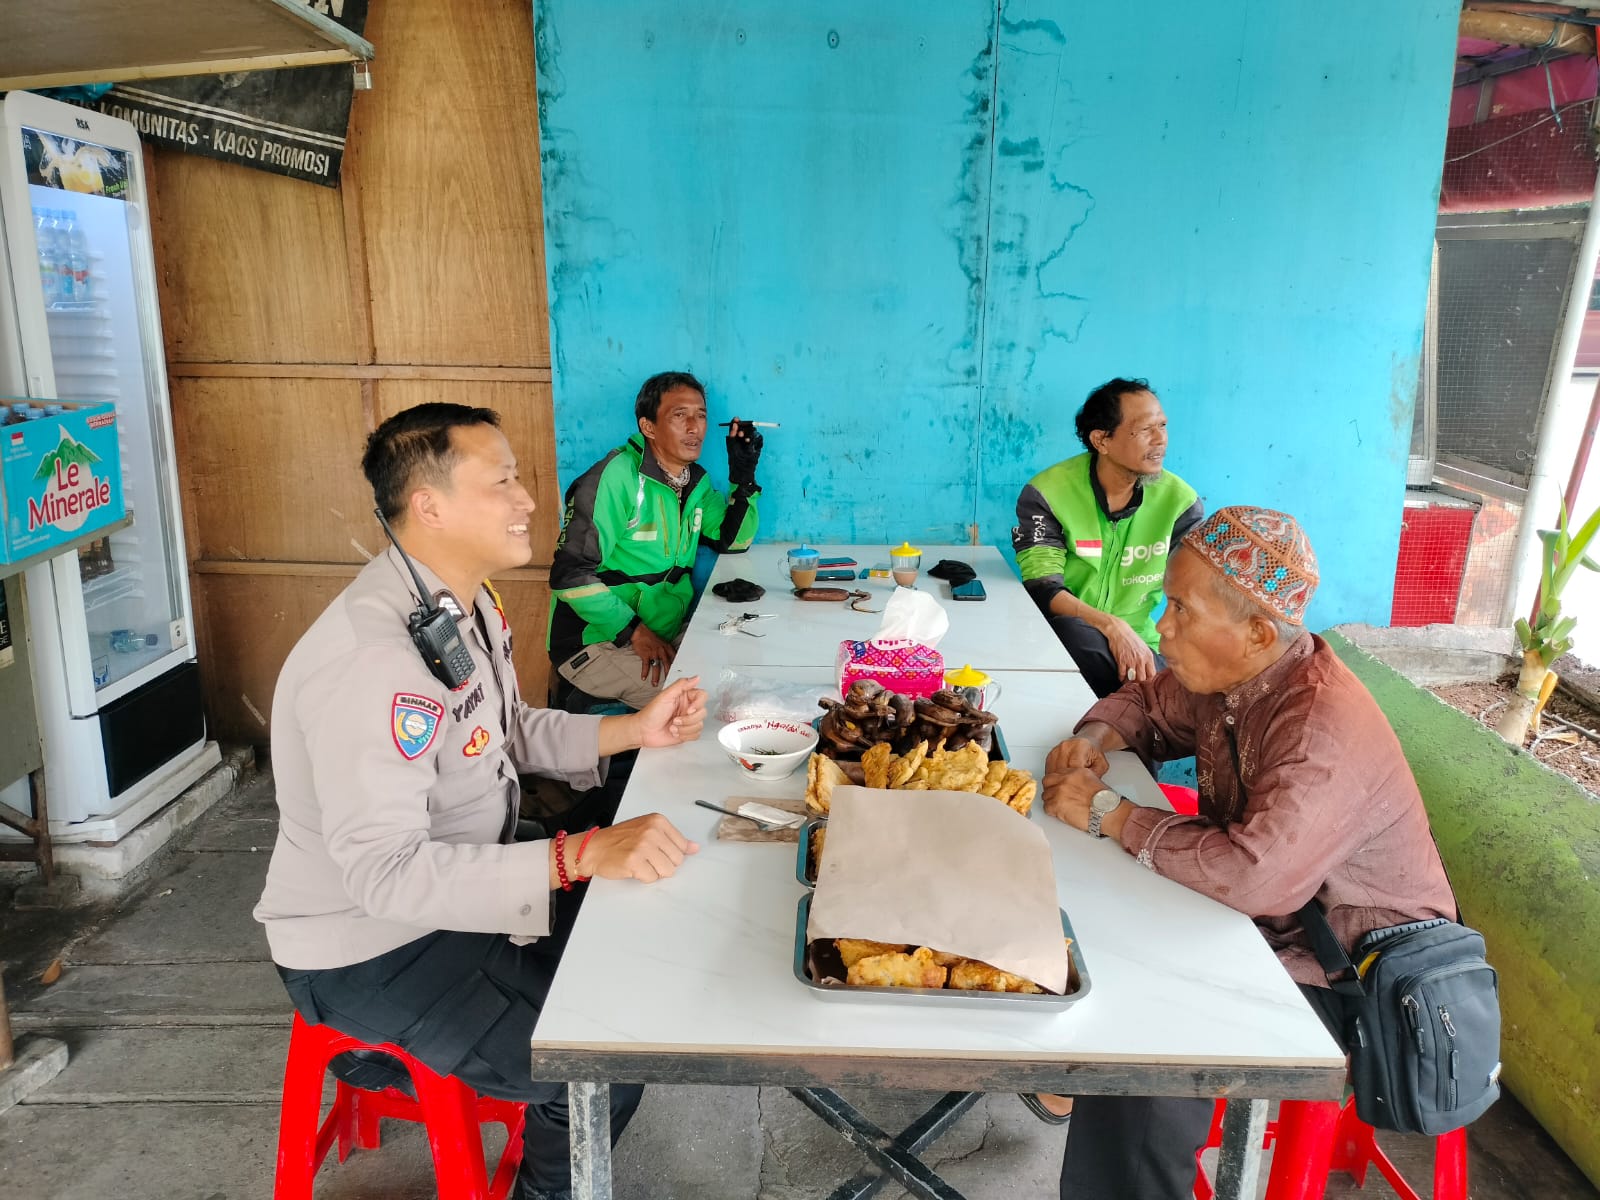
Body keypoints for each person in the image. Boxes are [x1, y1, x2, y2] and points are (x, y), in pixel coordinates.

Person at [254, 402, 707, 1200]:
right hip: (373, 947)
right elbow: (386, 877)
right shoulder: (374, 659)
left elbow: (507, 728)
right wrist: (574, 856)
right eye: (501, 482)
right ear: (429, 506)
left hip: (463, 882)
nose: (527, 499)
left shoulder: (460, 602)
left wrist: (635, 731)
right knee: (598, 1067)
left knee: (632, 935)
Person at [1037, 505, 1456, 1198]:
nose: (1161, 626)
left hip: (1356, 972)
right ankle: (1079, 1082)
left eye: (1180, 609)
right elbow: (1149, 704)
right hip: (1276, 925)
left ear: (1258, 631)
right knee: (1107, 935)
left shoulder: (1318, 726)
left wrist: (1112, 813)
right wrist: (1094, 739)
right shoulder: (1236, 675)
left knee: (1152, 1020)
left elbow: (1255, 878)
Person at [548, 371, 762, 711]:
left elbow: (732, 541)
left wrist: (743, 476)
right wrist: (634, 631)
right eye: (680, 415)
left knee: (743, 672)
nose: (694, 427)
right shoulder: (616, 478)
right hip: (600, 641)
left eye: (701, 415)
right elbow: (569, 575)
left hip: (663, 632)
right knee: (698, 706)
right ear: (648, 427)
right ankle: (584, 701)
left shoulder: (694, 482)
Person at [1013, 377, 1204, 698]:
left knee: (1182, 688)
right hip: (1071, 635)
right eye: (1145, 429)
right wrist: (1112, 626)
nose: (1160, 439)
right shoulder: (1049, 493)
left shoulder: (1179, 502)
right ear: (1101, 440)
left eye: (1162, 425)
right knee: (1072, 634)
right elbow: (1043, 588)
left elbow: (1197, 592)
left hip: (1143, 643)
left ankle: (1137, 705)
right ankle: (1137, 706)